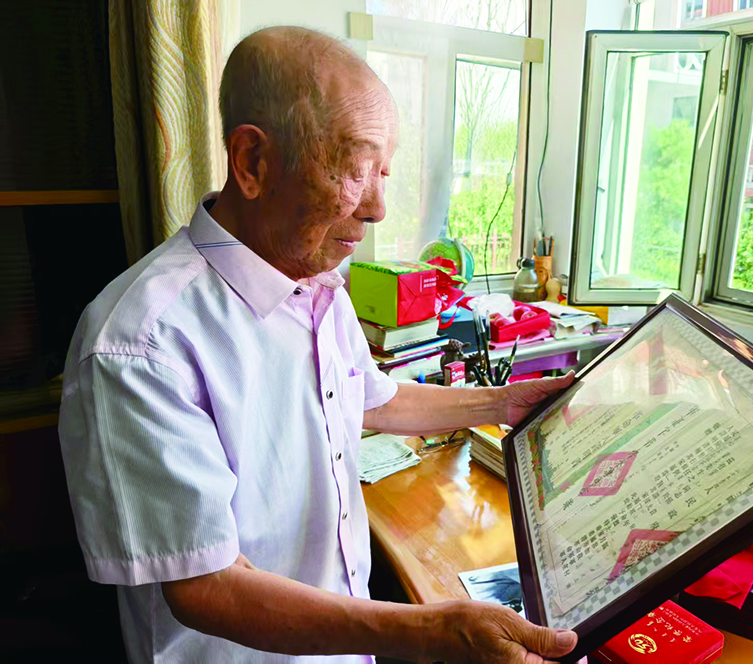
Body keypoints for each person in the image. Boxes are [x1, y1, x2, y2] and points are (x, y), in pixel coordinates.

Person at [58, 26, 577, 664]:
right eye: (356, 170)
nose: (379, 207)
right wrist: (426, 632)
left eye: (384, 172)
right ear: (253, 162)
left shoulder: (317, 283)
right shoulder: (139, 343)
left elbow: (372, 400)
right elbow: (205, 586)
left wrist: (505, 403)